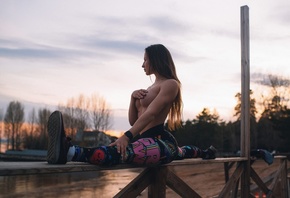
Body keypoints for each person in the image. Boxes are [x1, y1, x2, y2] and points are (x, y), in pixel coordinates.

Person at [46, 44, 216, 166]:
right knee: (182, 152)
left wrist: (126, 136)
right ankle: (207, 152)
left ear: (156, 60)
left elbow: (151, 114)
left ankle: (68, 151)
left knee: (121, 153)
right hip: (142, 139)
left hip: (160, 141)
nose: (142, 65)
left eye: (145, 60)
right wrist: (132, 99)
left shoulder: (170, 84)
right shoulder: (148, 89)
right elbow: (133, 121)